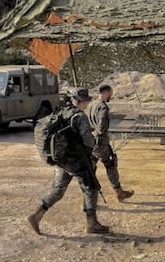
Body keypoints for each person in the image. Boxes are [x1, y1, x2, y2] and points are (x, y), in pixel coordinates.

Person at [28, 88, 110, 235]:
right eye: (86, 101)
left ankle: (36, 215)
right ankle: (92, 224)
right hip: (75, 160)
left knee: (58, 190)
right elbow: (89, 142)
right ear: (82, 102)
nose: (87, 104)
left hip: (61, 159)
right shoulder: (79, 117)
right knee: (91, 188)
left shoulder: (62, 112)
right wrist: (94, 137)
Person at [86, 84, 134, 202]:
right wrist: (98, 134)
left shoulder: (91, 105)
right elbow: (102, 128)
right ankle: (119, 192)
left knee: (90, 170)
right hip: (100, 143)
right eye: (111, 93)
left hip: (90, 142)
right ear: (106, 92)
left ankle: (87, 198)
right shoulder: (102, 107)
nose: (111, 96)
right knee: (110, 165)